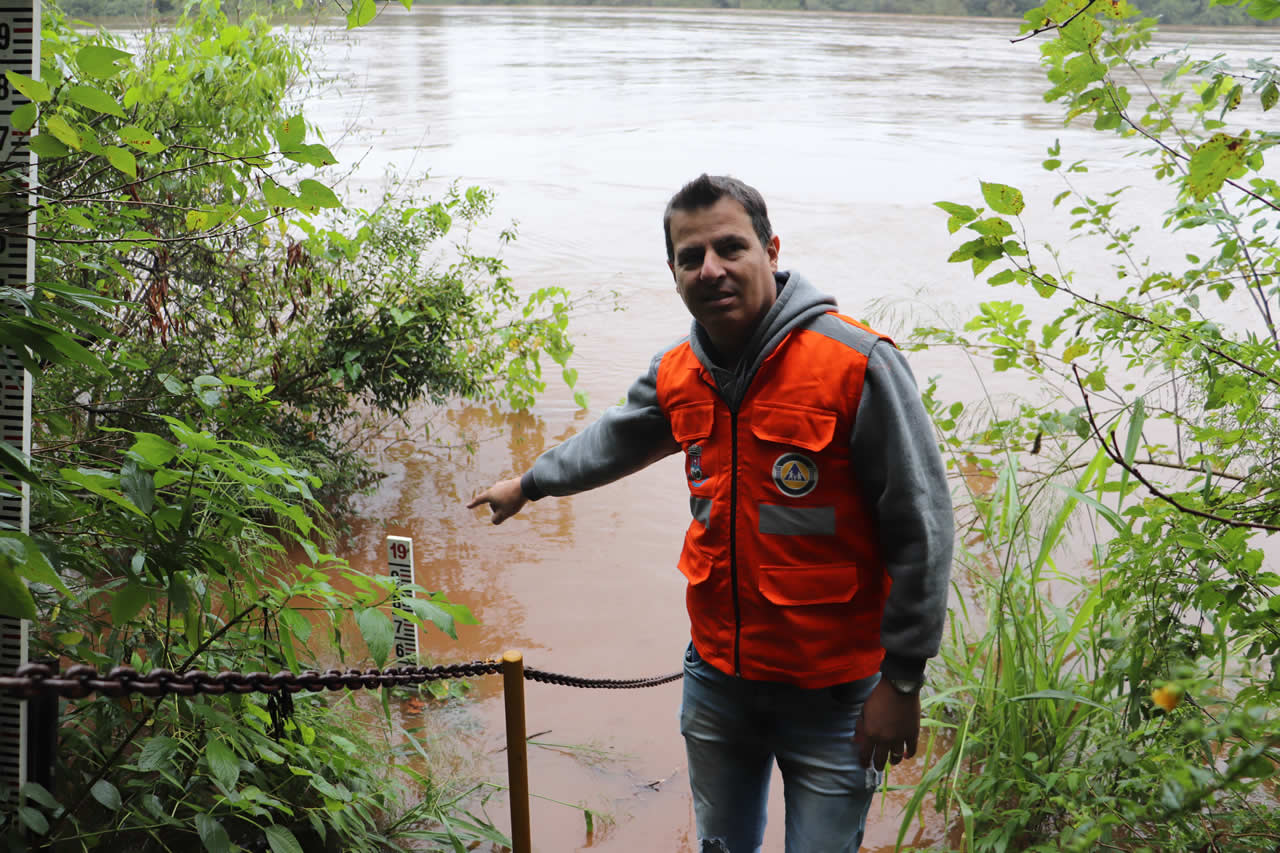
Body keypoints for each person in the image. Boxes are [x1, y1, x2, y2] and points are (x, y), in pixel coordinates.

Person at [468, 174, 953, 853]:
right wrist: (530, 482)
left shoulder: (856, 364)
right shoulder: (679, 371)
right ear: (672, 272)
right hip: (718, 685)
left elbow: (922, 529)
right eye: (691, 257)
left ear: (771, 249)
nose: (711, 269)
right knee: (720, 847)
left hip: (835, 695)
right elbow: (616, 437)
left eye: (730, 247)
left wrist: (902, 679)